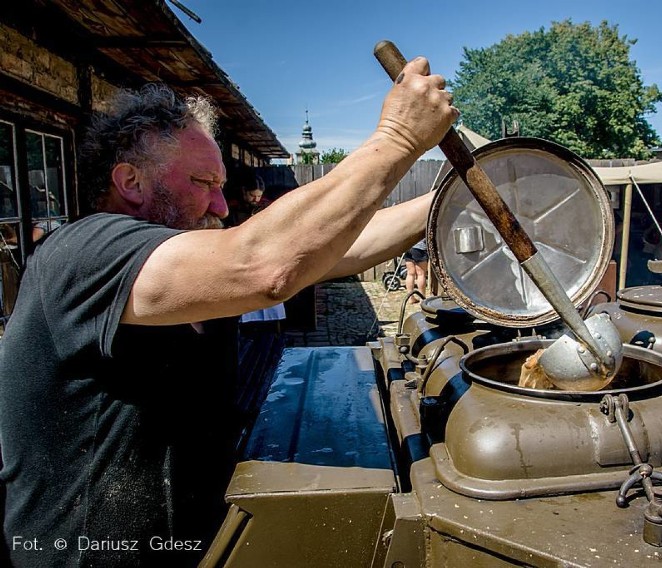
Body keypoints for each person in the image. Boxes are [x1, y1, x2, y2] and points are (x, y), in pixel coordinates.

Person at [0, 56, 456, 567]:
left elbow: (338, 247)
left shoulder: (191, 258)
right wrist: (397, 137)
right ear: (130, 182)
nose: (221, 206)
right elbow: (264, 267)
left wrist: (447, 196)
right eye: (202, 183)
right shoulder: (83, 252)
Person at [403, 237, 428, 302]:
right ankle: (422, 299)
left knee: (410, 273)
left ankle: (411, 298)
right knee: (421, 274)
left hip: (408, 246)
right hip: (419, 247)